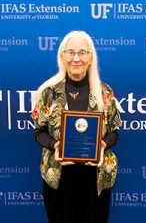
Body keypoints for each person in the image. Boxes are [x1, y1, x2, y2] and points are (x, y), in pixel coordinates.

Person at [32, 30, 122, 223]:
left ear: (90, 58)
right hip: (59, 175)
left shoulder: (105, 92)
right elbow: (39, 132)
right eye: (70, 52)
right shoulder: (48, 92)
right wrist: (54, 145)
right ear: (62, 57)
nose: (76, 58)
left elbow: (114, 132)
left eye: (82, 52)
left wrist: (103, 145)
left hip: (95, 177)